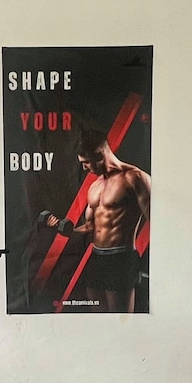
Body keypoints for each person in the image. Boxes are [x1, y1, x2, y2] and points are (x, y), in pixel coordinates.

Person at [46, 129, 151, 312]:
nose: (84, 168)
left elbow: (157, 222)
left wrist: (150, 265)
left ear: (100, 155)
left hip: (121, 259)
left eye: (86, 162)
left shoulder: (135, 178)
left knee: (119, 320)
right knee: (97, 318)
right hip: (96, 258)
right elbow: (89, 227)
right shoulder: (95, 186)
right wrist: (65, 230)